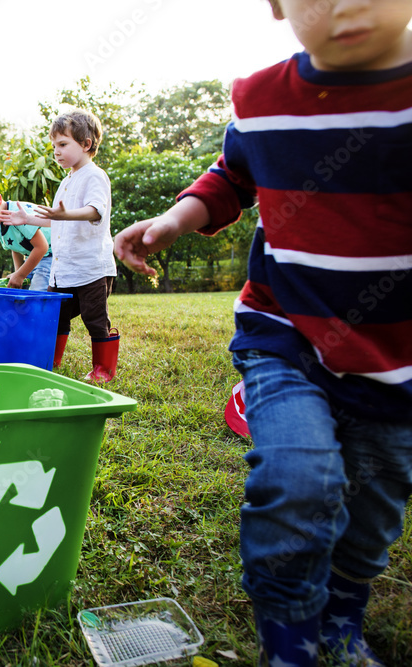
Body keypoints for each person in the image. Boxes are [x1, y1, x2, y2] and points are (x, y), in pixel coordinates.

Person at [114, 1, 412, 664]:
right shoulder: (262, 99)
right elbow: (232, 177)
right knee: (299, 476)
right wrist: (173, 220)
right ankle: (290, 636)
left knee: (372, 510)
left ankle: (342, 616)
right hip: (286, 335)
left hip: (396, 356)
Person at [3, 110, 119, 380]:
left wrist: (65, 214)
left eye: (63, 144)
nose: (56, 151)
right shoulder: (66, 182)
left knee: (95, 319)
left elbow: (95, 210)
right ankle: (50, 360)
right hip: (63, 268)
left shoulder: (94, 176)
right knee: (54, 316)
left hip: (91, 267)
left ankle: (103, 369)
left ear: (86, 144)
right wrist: (27, 219)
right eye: (54, 145)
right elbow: (57, 220)